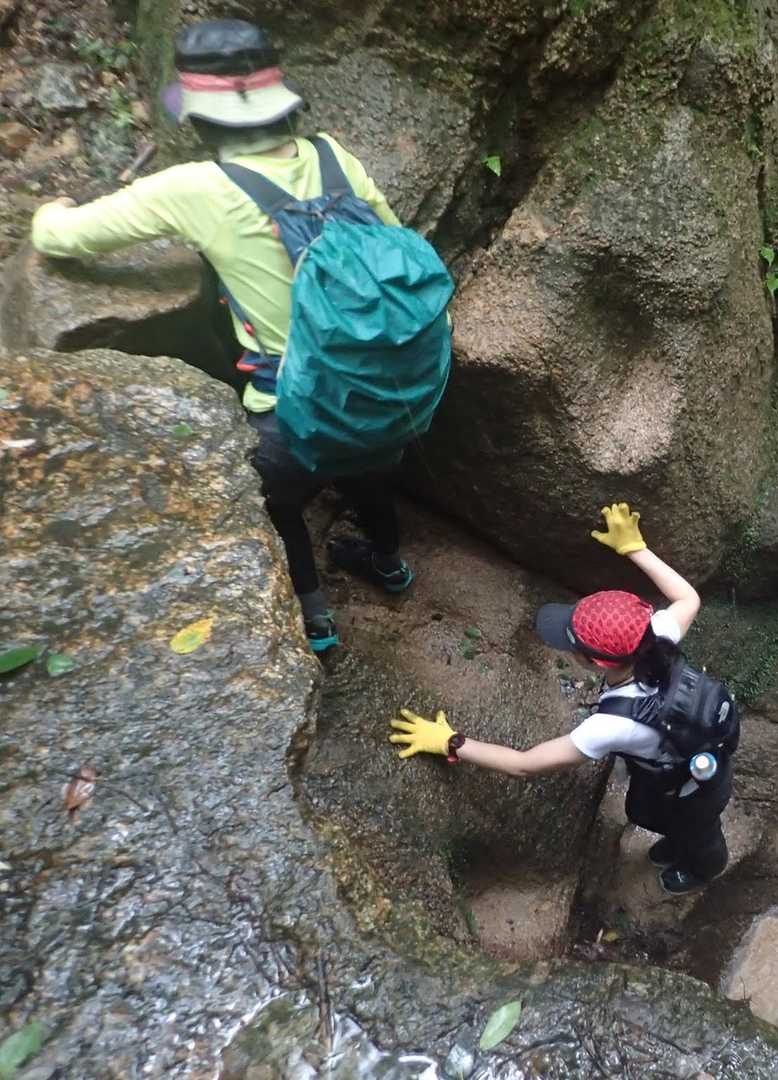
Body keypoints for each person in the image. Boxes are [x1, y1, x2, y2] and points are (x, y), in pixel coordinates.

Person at [28, 19, 414, 653]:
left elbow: (57, 238)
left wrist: (55, 207)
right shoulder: (333, 156)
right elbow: (400, 248)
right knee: (372, 478)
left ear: (203, 121)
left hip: (295, 414)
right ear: (282, 103)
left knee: (277, 504)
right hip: (390, 391)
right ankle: (391, 567)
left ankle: (315, 621)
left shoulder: (195, 189)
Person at [388, 503, 732, 896]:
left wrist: (452, 742)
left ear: (598, 662)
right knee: (643, 812)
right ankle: (681, 843)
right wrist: (635, 548)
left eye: (572, 643)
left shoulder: (610, 726)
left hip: (698, 788)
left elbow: (524, 765)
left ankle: (704, 867)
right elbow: (688, 598)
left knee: (697, 830)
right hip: (681, 757)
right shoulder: (656, 636)